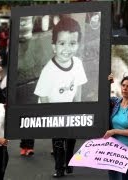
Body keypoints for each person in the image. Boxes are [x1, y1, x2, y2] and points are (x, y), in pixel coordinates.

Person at [34, 16, 86, 178]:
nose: (67, 49)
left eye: (72, 43)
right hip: (54, 112)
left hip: (70, 111)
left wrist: (78, 109)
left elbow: (78, 88)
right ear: (54, 47)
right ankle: (59, 168)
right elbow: (42, 96)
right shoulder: (48, 71)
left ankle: (69, 163)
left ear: (78, 44)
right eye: (62, 43)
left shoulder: (77, 63)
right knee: (58, 143)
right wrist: (47, 116)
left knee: (70, 140)